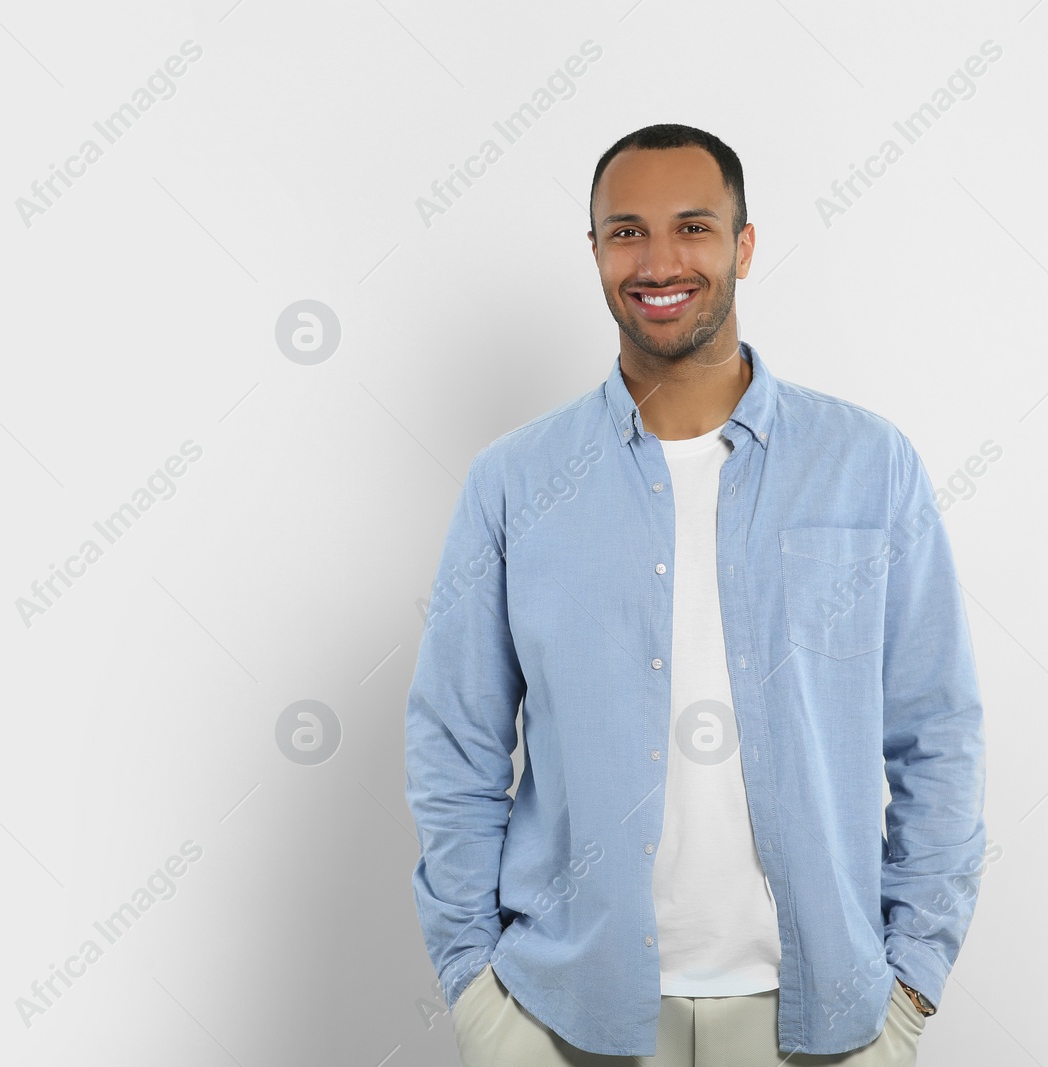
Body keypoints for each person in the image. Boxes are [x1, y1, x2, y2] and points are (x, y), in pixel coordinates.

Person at [405, 123, 987, 1066]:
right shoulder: (513, 482)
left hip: (823, 1013)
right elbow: (455, 742)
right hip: (564, 1012)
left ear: (744, 246)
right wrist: (477, 986)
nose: (660, 260)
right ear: (594, 250)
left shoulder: (868, 466)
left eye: (694, 227)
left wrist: (911, 979)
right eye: (626, 231)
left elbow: (938, 731)